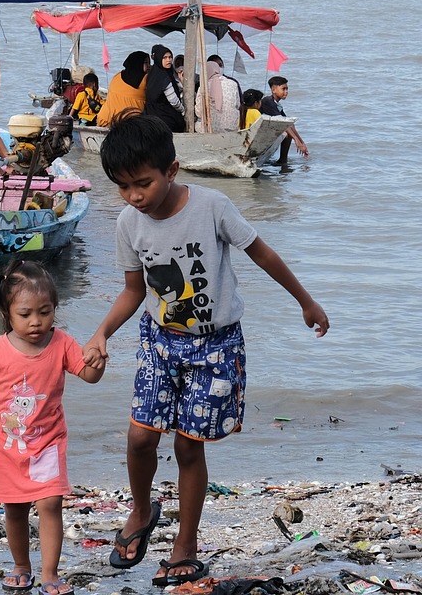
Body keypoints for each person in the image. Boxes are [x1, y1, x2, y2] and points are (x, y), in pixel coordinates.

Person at [82, 115, 329, 587]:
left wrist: (306, 301)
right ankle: (140, 510)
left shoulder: (212, 206)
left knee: (187, 447)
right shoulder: (129, 224)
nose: (134, 196)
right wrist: (101, 334)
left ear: (171, 170)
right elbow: (134, 290)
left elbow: (263, 253)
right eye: (123, 187)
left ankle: (186, 545)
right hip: (159, 343)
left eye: (143, 183)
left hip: (215, 347)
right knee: (139, 438)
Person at [0, 260, 102, 595]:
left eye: (45, 311)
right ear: (8, 312)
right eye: (25, 314)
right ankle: (21, 565)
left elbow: (87, 374)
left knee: (50, 505)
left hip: (48, 445)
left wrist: (97, 363)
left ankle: (50, 573)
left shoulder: (61, 344)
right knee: (14, 510)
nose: (36, 321)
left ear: (55, 308)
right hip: (7, 449)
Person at [261, 75, 309, 162]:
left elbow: (289, 124)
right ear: (274, 90)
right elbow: (283, 123)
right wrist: (296, 140)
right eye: (283, 89)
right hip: (262, 130)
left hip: (268, 129)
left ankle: (283, 159)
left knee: (289, 131)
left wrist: (301, 142)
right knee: (287, 134)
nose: (286, 92)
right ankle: (283, 159)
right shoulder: (268, 102)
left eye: (287, 89)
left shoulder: (277, 104)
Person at [96, 51, 149, 127]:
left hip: (104, 120)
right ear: (138, 64)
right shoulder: (146, 79)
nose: (149, 66)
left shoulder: (117, 76)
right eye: (146, 63)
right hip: (129, 123)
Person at [144, 45, 185, 133]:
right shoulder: (164, 78)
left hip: (150, 113)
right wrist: (183, 111)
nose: (169, 60)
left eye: (170, 57)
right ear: (159, 59)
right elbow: (174, 101)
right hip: (164, 117)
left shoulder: (153, 73)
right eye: (165, 57)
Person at [194, 60, 241, 132]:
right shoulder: (233, 84)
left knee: (197, 124)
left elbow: (199, 112)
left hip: (211, 129)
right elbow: (237, 105)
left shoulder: (204, 88)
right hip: (232, 127)